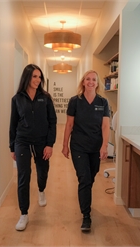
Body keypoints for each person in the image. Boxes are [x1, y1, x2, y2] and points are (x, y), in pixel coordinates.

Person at [9, 64, 57, 231]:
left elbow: (52, 121)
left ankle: (41, 190)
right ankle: (24, 214)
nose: (38, 80)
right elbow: (13, 124)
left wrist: (50, 144)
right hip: (21, 141)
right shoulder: (17, 99)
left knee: (42, 171)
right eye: (35, 76)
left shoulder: (45, 97)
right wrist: (12, 147)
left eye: (39, 77)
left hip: (41, 141)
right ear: (27, 78)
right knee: (23, 176)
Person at [62, 70, 110, 232]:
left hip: (95, 147)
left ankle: (85, 197)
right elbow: (69, 125)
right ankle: (86, 216)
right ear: (83, 82)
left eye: (94, 80)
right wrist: (64, 145)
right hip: (79, 146)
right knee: (84, 178)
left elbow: (105, 126)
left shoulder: (103, 102)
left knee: (90, 176)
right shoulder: (75, 101)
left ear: (97, 83)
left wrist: (104, 146)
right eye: (87, 79)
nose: (90, 82)